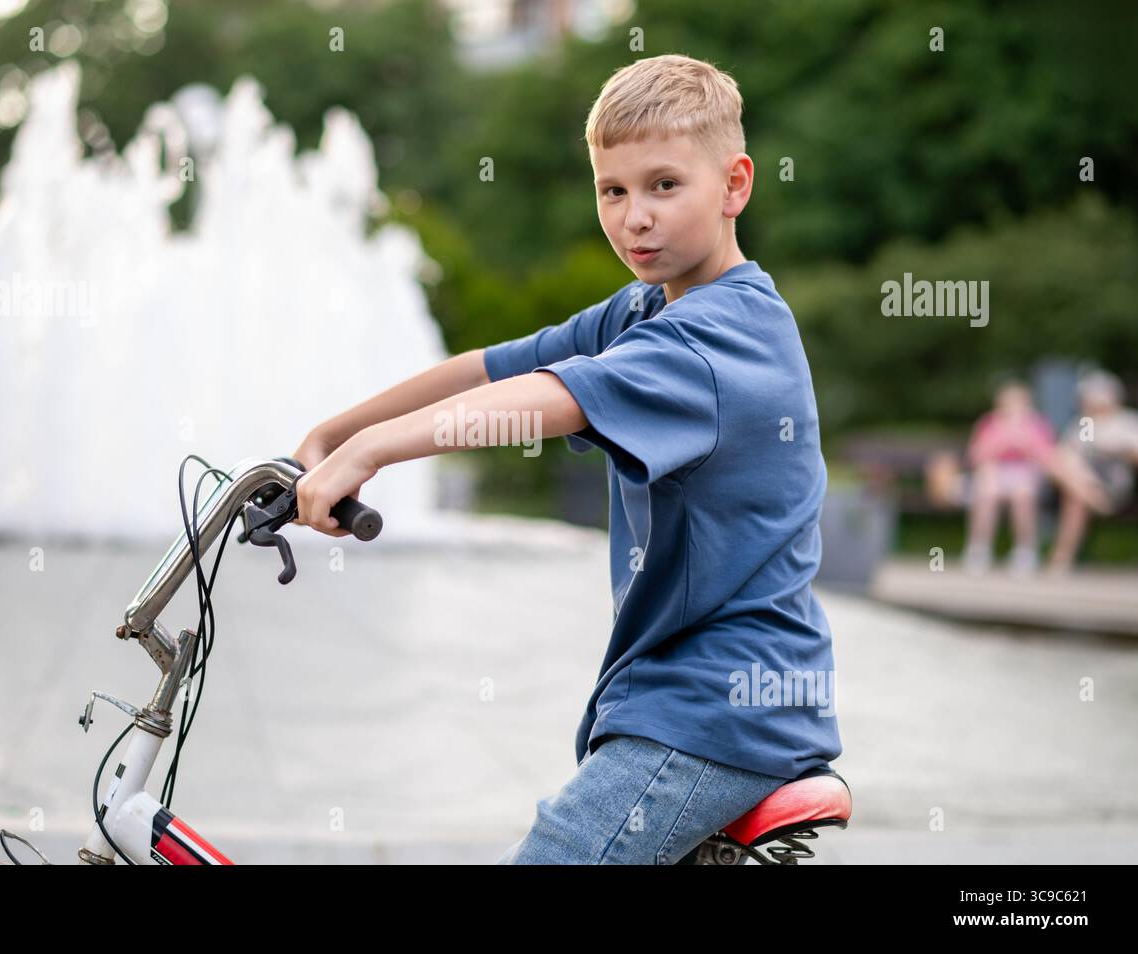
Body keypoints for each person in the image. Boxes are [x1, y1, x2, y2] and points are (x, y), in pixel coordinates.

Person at [289, 54, 840, 864]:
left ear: (735, 185)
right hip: (677, 700)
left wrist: (371, 452)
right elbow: (496, 367)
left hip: (719, 711)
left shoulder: (723, 335)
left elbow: (547, 399)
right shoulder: (648, 308)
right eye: (612, 191)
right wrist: (334, 433)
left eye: (663, 186)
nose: (634, 218)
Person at [961, 380, 1057, 575]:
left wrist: (1025, 443)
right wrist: (1000, 443)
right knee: (987, 492)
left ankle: (1026, 551)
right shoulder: (988, 423)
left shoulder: (1038, 425)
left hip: (1027, 474)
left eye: (1018, 403)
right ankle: (979, 549)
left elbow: (1048, 459)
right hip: (994, 473)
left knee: (1022, 494)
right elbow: (975, 457)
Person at [1046, 370, 1138, 573]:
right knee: (1067, 471)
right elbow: (1080, 452)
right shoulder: (1086, 423)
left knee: (1074, 497)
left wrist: (1117, 450)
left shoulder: (1127, 421)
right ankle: (1095, 499)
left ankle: (1061, 558)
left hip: (1115, 484)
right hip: (1088, 480)